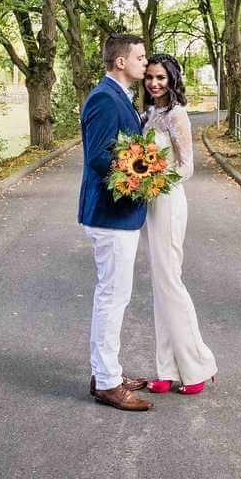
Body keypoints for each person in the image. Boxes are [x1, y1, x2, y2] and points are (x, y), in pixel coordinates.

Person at [78, 33, 153, 412]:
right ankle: (107, 383)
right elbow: (98, 157)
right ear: (120, 62)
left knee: (115, 296)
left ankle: (106, 371)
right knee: (112, 297)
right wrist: (143, 176)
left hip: (119, 216)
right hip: (110, 215)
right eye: (140, 57)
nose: (146, 61)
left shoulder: (120, 96)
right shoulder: (105, 98)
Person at [140, 53, 218, 395]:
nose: (155, 84)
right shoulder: (151, 113)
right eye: (150, 78)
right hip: (149, 204)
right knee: (160, 286)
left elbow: (186, 167)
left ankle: (197, 366)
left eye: (161, 78)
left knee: (171, 282)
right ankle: (167, 368)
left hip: (168, 201)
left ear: (172, 79)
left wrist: (153, 178)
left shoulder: (177, 115)